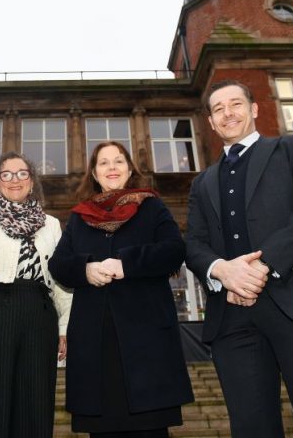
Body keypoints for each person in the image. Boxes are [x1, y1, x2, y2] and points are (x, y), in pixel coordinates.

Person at [184, 79, 293, 437]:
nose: (228, 113)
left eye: (235, 104)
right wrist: (222, 270)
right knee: (251, 427)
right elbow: (194, 242)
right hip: (231, 317)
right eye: (218, 109)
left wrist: (264, 264)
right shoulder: (202, 183)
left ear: (254, 109)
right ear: (211, 123)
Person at [49, 141, 193, 438]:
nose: (111, 168)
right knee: (103, 429)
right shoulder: (80, 216)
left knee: (150, 429)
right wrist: (85, 269)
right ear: (94, 173)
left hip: (146, 340)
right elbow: (58, 264)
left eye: (118, 161)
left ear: (129, 169)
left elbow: (174, 250)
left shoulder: (151, 206)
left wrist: (127, 264)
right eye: (104, 163)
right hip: (96, 342)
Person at [0, 152, 72, 438]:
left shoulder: (51, 224)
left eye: (22, 173)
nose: (15, 180)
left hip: (40, 315)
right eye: (6, 174)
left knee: (35, 401)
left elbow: (60, 280)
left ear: (32, 181)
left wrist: (63, 327)